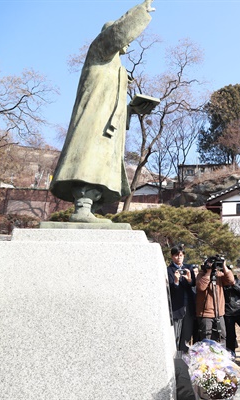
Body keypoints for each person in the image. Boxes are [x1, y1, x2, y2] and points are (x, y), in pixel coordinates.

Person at [50, 0, 156, 222]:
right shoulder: (98, 53)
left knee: (100, 165)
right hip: (92, 122)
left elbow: (113, 106)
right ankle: (82, 206)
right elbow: (118, 34)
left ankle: (89, 208)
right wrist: (140, 11)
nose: (126, 44)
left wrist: (131, 109)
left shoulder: (117, 69)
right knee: (87, 161)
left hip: (108, 129)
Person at [195, 256, 235, 344]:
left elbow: (231, 281)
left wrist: (224, 266)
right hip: (206, 314)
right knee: (206, 339)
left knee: (222, 337)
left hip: (219, 313)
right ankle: (206, 357)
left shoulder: (219, 275)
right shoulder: (201, 274)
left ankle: (221, 356)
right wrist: (208, 272)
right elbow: (201, 287)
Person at [166, 245, 195, 352]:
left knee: (187, 335)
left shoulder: (189, 268)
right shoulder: (169, 270)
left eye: (181, 255)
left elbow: (193, 284)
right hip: (176, 307)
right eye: (176, 255)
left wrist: (189, 279)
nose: (179, 258)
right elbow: (170, 289)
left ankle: (184, 358)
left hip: (188, 306)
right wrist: (176, 281)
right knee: (175, 334)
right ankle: (174, 356)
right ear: (172, 257)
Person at [223, 275, 240, 358]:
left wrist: (234, 284)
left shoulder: (236, 280)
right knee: (230, 335)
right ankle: (231, 355)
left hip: (239, 311)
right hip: (227, 312)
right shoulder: (221, 282)